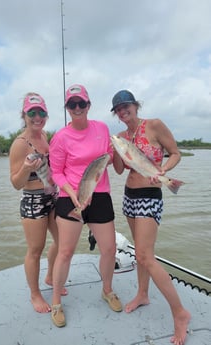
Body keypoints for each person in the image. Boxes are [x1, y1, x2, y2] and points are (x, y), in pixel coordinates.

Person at [111, 89, 191, 345]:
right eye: (118, 109)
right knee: (138, 253)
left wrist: (163, 170)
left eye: (126, 106)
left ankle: (180, 313)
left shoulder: (154, 125)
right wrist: (115, 150)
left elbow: (175, 152)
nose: (124, 111)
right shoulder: (122, 137)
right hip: (129, 196)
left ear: (136, 105)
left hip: (150, 195)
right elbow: (121, 170)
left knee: (146, 255)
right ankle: (143, 294)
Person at [49, 84, 122, 327]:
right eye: (72, 104)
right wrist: (74, 193)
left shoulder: (102, 128)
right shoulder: (60, 137)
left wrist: (114, 158)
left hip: (99, 194)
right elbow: (56, 173)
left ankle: (107, 290)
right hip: (70, 195)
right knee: (65, 252)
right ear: (67, 108)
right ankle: (57, 300)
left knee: (109, 249)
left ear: (89, 105)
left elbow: (109, 156)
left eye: (82, 103)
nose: (77, 108)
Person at [9, 92, 67, 314]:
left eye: (41, 112)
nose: (37, 117)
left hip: (52, 195)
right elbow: (15, 183)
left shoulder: (45, 136)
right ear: (24, 115)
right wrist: (25, 168)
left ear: (46, 115)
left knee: (63, 242)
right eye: (32, 113)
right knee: (35, 249)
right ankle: (35, 294)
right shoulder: (19, 144)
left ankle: (51, 276)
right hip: (33, 200)